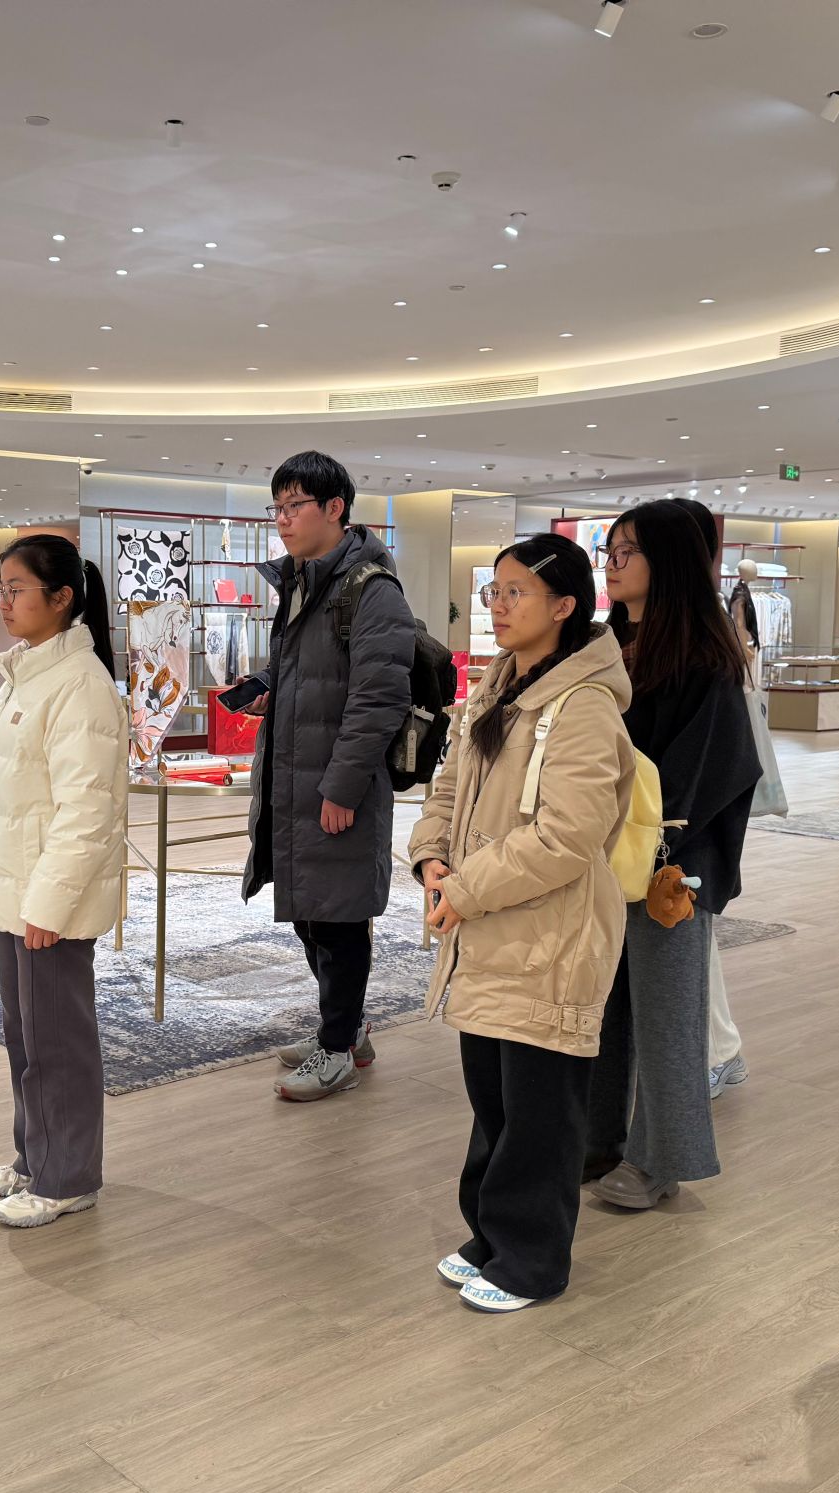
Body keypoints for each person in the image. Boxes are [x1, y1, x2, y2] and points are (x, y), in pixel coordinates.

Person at [410, 536, 635, 1313]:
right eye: (494, 592)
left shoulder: (584, 706)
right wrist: (431, 856)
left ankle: (532, 1261)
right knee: (495, 1101)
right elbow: (449, 786)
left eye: (516, 593)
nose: (499, 607)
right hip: (488, 927)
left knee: (540, 1112)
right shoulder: (498, 686)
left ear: (565, 606)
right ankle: (492, 1236)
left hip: (550, 935)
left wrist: (467, 887)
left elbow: (568, 836)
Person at [584, 498, 760, 1208]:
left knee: (666, 1016)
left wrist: (655, 840)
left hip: (671, 863)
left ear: (669, 561)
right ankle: (597, 1142)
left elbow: (711, 772)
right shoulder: (605, 643)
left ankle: (661, 1159)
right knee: (600, 1007)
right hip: (599, 851)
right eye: (610, 550)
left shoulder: (702, 657)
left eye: (627, 551)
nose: (613, 563)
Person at [0, 535, 127, 1228]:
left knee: (57, 1040)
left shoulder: (80, 686)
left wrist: (49, 903)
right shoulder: (26, 676)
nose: (4, 602)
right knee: (26, 1036)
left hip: (49, 899)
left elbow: (87, 811)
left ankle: (68, 1177)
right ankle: (36, 1156)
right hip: (18, 890)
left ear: (61, 599)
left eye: (17, 589)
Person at [244, 450, 417, 1103]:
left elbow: (379, 699)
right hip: (294, 779)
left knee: (339, 919)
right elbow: (310, 671)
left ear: (335, 508)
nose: (283, 519)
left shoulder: (371, 591)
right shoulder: (302, 583)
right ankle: (345, 1030)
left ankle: (339, 1048)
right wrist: (267, 686)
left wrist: (342, 788)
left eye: (295, 506)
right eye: (278, 507)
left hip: (336, 785)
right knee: (309, 912)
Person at [676, 499, 751, 1099]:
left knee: (687, 937)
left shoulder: (703, 638)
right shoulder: (646, 629)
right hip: (665, 823)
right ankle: (718, 1050)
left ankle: (718, 1052)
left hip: (685, 826)